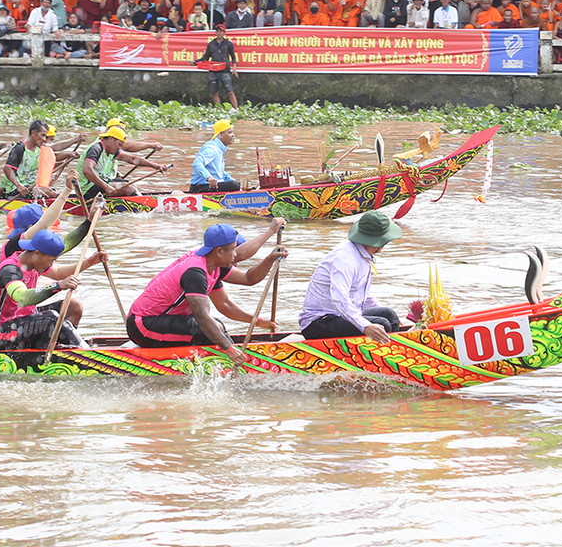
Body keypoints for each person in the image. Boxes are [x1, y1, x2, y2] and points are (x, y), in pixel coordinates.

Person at [124, 223, 287, 365]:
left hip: (159, 320)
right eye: (232, 250)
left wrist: (271, 259)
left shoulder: (213, 265)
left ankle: (226, 360)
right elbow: (202, 318)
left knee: (218, 327)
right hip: (142, 326)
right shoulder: (195, 273)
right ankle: (235, 363)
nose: (236, 255)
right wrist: (229, 348)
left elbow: (237, 291)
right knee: (208, 329)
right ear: (219, 251)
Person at [0, 229, 107, 350]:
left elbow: (61, 266)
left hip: (20, 324)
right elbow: (22, 298)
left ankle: (55, 347)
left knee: (73, 306)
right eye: (51, 261)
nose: (51, 265)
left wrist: (90, 261)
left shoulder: (33, 262)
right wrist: (58, 286)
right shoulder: (10, 270)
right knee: (51, 318)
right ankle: (86, 353)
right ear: (36, 254)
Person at [299, 210, 405, 342]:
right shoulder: (345, 258)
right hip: (319, 322)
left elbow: (361, 294)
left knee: (389, 315)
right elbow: (339, 299)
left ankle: (394, 348)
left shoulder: (363, 255)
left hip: (339, 314)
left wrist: (377, 311)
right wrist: (365, 326)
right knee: (382, 324)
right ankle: (379, 355)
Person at [82, 126, 168, 200]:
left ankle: (142, 201)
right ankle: (146, 207)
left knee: (130, 185)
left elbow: (132, 159)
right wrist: (106, 187)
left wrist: (155, 166)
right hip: (87, 188)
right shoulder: (96, 149)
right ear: (111, 139)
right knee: (126, 187)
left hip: (101, 182)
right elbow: (87, 170)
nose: (119, 148)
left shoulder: (110, 149)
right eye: (119, 145)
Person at [3, 120, 58, 199]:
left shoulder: (39, 149)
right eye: (42, 135)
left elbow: (54, 155)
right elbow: (7, 168)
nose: (44, 139)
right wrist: (18, 185)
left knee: (49, 190)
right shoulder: (19, 148)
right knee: (48, 192)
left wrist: (68, 156)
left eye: (45, 136)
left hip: (30, 188)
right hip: (16, 189)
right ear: (33, 133)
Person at [195, 23, 239, 108]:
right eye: (217, 31)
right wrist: (195, 62)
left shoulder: (228, 44)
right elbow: (206, 57)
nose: (219, 33)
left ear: (224, 33)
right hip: (213, 71)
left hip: (225, 71)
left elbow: (233, 57)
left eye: (221, 31)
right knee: (215, 92)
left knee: (230, 91)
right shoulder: (211, 44)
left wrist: (234, 69)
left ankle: (236, 109)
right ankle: (219, 109)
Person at [189, 119, 239, 193]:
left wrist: (239, 184)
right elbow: (197, 164)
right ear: (221, 134)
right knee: (234, 185)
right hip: (200, 187)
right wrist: (209, 178)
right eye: (230, 132)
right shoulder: (211, 148)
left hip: (213, 186)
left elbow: (221, 174)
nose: (233, 135)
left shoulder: (220, 149)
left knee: (236, 184)